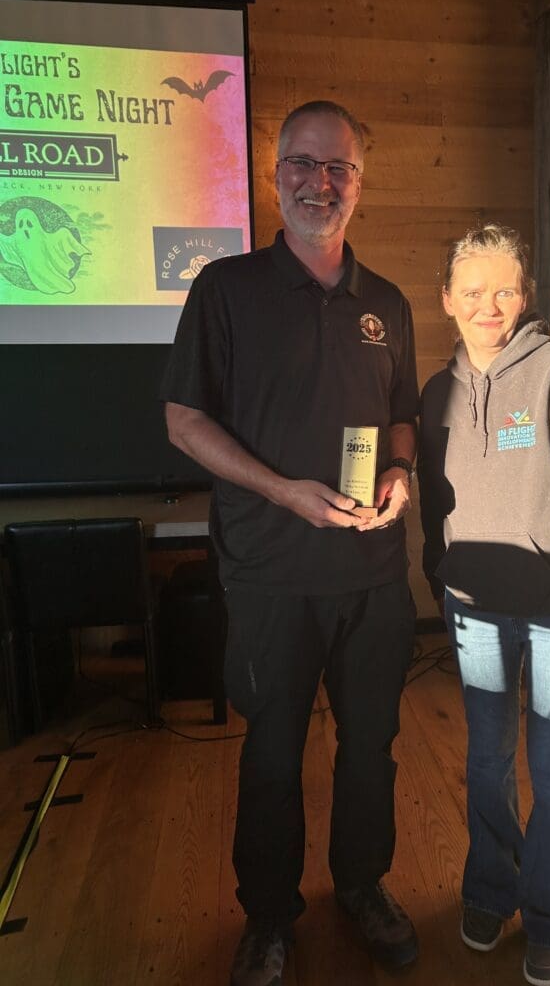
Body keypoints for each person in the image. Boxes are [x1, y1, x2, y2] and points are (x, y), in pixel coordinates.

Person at [160, 101, 419, 986]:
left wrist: (400, 473)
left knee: (371, 745)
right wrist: (280, 491)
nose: (321, 182)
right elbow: (184, 421)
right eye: (303, 165)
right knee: (271, 751)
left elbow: (402, 417)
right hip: (269, 574)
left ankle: (363, 886)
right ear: (275, 175)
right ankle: (270, 918)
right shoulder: (224, 290)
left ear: (361, 184)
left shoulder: (385, 301)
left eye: (339, 168)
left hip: (376, 577)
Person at [418, 223, 550, 986]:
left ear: (526, 295)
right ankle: (490, 889)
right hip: (474, 612)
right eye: (472, 292)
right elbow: (434, 501)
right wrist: (437, 576)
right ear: (447, 300)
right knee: (484, 761)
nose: (489, 306)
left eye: (504, 290)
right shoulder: (436, 391)